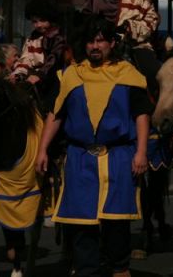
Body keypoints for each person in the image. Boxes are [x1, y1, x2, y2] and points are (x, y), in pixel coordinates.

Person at [35, 15, 151, 277]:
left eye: (100, 41)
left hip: (118, 157)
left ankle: (120, 269)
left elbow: (141, 114)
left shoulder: (129, 74)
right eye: (90, 41)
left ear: (111, 43)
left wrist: (142, 151)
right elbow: (56, 113)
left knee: (116, 223)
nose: (95, 46)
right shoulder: (70, 75)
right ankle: (86, 271)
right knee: (81, 225)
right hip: (80, 158)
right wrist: (42, 149)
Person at [82, 0, 161, 97]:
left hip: (134, 44)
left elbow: (152, 21)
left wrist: (130, 28)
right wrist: (97, 28)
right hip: (101, 42)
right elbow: (87, 15)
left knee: (153, 74)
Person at [10, 0, 67, 115]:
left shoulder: (58, 37)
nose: (38, 25)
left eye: (42, 20)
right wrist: (18, 75)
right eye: (35, 21)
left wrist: (40, 75)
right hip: (34, 82)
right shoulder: (33, 38)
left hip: (55, 79)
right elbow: (26, 58)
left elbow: (54, 59)